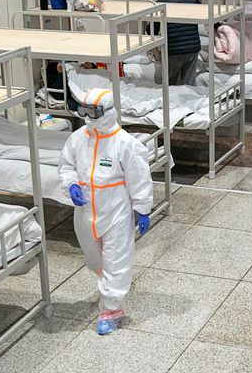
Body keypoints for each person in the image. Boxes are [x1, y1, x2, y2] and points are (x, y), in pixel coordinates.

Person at [59, 88, 153, 335]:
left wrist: (142, 209)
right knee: (94, 261)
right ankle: (109, 285)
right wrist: (70, 184)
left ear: (109, 112)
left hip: (115, 214)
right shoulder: (79, 137)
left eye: (94, 112)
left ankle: (112, 310)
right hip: (85, 213)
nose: (88, 116)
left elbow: (140, 178)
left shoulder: (125, 144)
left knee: (116, 263)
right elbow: (66, 165)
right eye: (84, 111)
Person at [155, 0, 201, 85]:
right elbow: (206, 14)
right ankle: (191, 101)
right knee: (189, 84)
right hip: (192, 48)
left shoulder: (159, 4)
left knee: (170, 84)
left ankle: (171, 102)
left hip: (172, 50)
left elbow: (152, 29)